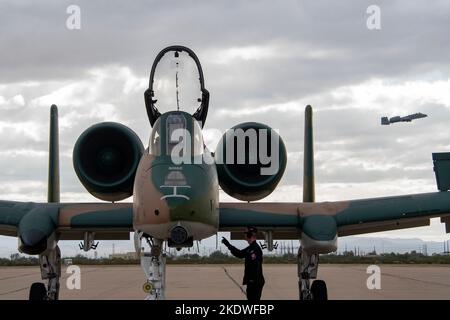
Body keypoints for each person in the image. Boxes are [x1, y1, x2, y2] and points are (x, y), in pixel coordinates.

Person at [222, 227, 265, 301]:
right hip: (252, 282)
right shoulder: (251, 248)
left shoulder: (255, 249)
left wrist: (252, 281)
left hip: (255, 283)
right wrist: (228, 245)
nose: (244, 235)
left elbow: (255, 266)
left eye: (245, 233)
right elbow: (240, 254)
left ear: (249, 235)